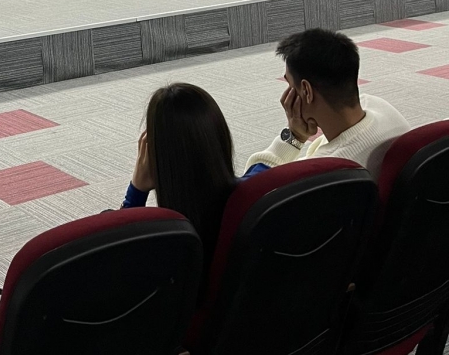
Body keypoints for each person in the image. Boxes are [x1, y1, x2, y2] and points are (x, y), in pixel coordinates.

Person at [244, 28, 409, 179]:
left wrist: (293, 137)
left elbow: (252, 187)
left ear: (306, 91)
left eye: (290, 85)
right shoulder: (381, 107)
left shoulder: (320, 172)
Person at [122, 83, 237, 263]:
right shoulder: (258, 200)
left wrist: (136, 191)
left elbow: (120, 251)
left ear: (157, 158)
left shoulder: (159, 245)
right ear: (221, 137)